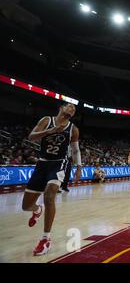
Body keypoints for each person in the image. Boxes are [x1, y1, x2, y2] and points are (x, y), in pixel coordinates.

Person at [21, 103, 82, 256]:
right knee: (26, 206)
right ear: (61, 108)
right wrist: (51, 131)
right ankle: (37, 209)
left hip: (59, 164)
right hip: (42, 164)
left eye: (74, 109)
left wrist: (79, 167)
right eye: (69, 106)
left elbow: (75, 150)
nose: (72, 109)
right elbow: (31, 136)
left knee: (49, 196)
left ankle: (45, 239)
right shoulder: (46, 120)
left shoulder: (73, 129)